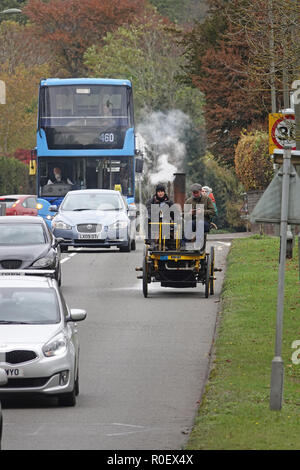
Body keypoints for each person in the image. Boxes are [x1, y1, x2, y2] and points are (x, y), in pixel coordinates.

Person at [184, 183, 216, 247]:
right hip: (194, 221)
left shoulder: (207, 199)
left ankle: (198, 245)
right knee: (189, 223)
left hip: (205, 222)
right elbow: (184, 216)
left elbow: (213, 212)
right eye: (193, 193)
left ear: (200, 191)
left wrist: (202, 212)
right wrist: (190, 214)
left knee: (200, 223)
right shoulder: (188, 201)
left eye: (196, 192)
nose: (195, 194)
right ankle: (185, 244)